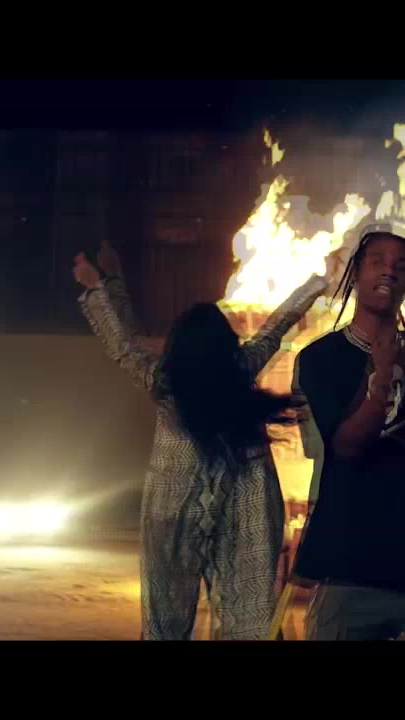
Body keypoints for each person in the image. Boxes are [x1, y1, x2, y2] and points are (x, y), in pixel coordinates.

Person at [73, 240, 342, 640]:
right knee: (249, 619)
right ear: (226, 344)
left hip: (177, 509)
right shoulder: (235, 370)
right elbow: (277, 326)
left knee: (166, 619)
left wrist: (103, 285)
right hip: (243, 506)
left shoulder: (164, 383)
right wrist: (319, 282)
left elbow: (123, 343)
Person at [290, 220, 405, 641]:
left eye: (401, 266)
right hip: (350, 562)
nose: (389, 271)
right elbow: (347, 446)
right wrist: (380, 377)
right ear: (356, 272)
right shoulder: (320, 358)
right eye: (377, 261)